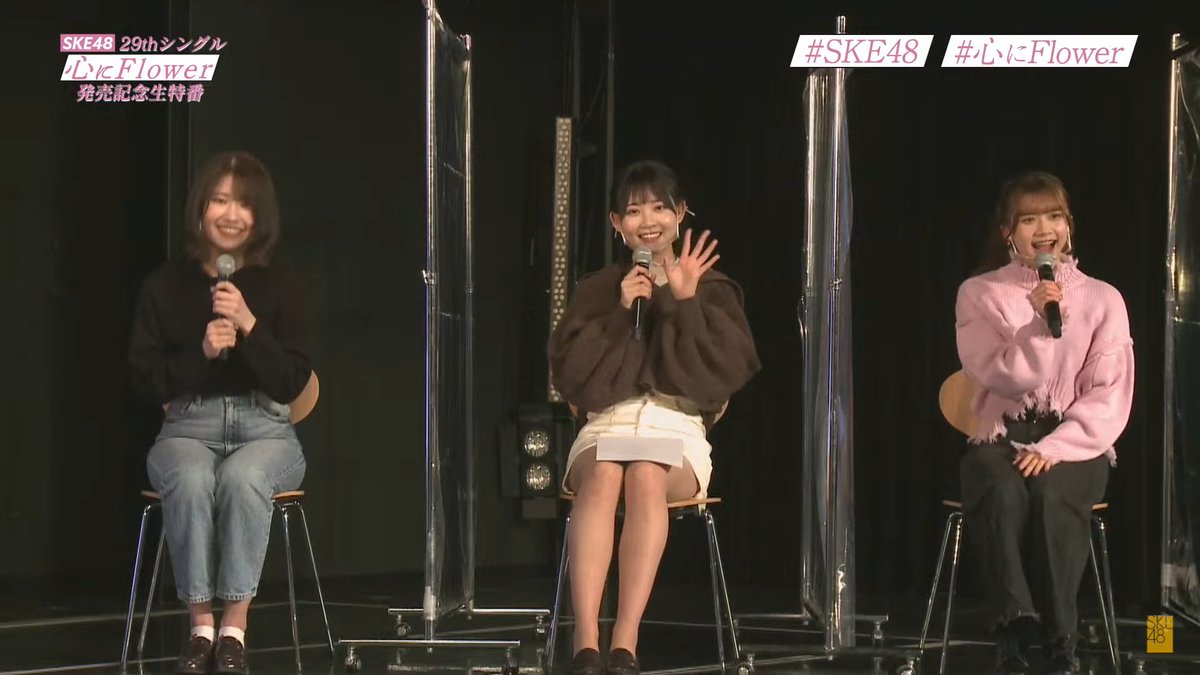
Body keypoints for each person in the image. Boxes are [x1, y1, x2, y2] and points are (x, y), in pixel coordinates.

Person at [548, 159, 761, 674]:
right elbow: (570, 376)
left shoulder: (712, 287)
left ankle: (625, 641)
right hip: (607, 424)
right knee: (604, 474)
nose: (648, 221)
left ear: (681, 213)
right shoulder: (598, 288)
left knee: (645, 473)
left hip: (675, 428)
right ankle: (585, 641)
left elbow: (721, 379)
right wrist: (620, 311)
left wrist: (686, 303)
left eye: (660, 207)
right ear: (616, 223)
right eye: (634, 210)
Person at [128, 151, 312, 675]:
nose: (232, 215)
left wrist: (250, 324)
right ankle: (200, 629)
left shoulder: (283, 285)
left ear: (260, 216)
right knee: (188, 476)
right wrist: (202, 355)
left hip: (266, 430)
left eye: (245, 204)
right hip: (188, 426)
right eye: (220, 200)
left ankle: (234, 629)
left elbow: (293, 382)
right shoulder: (163, 286)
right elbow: (143, 380)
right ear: (200, 209)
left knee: (242, 478)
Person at [954, 171, 1134, 674]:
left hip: (1074, 439)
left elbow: (1109, 392)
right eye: (1029, 219)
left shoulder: (1103, 298)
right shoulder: (979, 293)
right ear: (1008, 232)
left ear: (1069, 226)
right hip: (1002, 433)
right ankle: (1013, 629)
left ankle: (1060, 640)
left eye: (1054, 216)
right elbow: (1002, 377)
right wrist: (1038, 325)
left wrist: (1056, 446)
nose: (1044, 229)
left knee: (1054, 495)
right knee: (1000, 488)